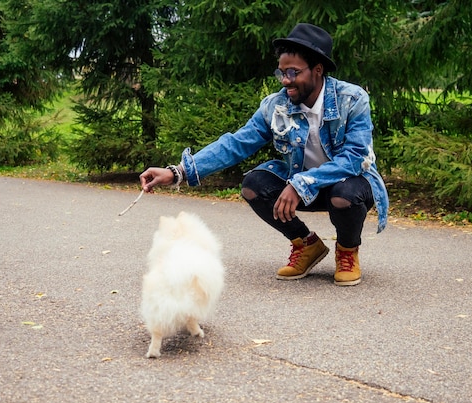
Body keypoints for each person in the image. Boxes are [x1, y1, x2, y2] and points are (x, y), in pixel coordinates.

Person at [139, 23, 389, 286]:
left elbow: (354, 158)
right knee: (254, 186)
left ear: (318, 70)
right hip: (300, 186)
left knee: (344, 196)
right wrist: (177, 172)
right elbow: (237, 143)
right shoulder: (276, 106)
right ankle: (306, 245)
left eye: (293, 72)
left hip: (347, 184)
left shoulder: (352, 99)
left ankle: (347, 250)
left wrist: (301, 183)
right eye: (281, 72)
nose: (285, 80)